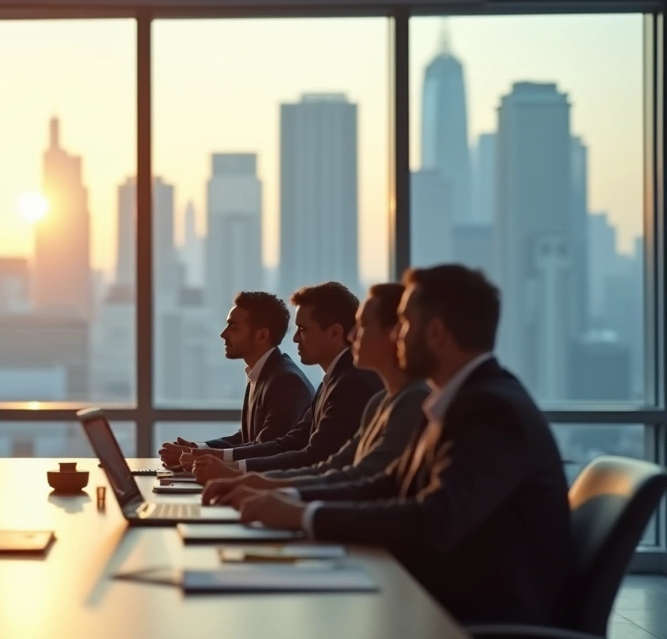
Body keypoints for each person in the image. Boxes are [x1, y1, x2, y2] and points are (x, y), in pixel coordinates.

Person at [230, 265, 570, 625]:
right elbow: (387, 482)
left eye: (405, 324)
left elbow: (434, 519)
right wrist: (290, 500)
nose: (397, 336)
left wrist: (303, 514)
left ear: (436, 333)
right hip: (438, 594)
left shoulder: (493, 410)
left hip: (479, 615)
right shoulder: (453, 401)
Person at [203, 283, 428, 503]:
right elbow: (324, 457)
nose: (353, 336)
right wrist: (242, 476)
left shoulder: (356, 384)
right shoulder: (369, 395)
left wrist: (251, 482)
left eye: (363, 326)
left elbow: (331, 464)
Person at [185, 282, 381, 482]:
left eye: (303, 329)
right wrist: (216, 457)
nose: (295, 338)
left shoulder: (350, 383)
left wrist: (236, 470)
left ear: (334, 333)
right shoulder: (332, 380)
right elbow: (293, 441)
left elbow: (314, 456)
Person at [159, 291, 312, 467]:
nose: (223, 334)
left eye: (233, 326)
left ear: (261, 335)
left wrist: (203, 456)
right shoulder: (265, 372)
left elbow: (266, 448)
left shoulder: (286, 381)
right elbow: (247, 437)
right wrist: (197, 448)